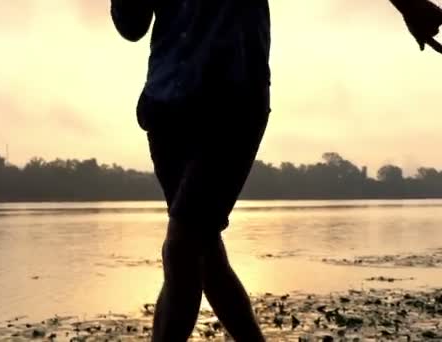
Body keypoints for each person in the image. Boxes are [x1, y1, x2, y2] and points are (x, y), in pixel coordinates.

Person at [109, 0, 441, 341]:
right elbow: (131, 27)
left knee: (182, 246)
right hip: (168, 107)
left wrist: (409, 5)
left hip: (233, 103)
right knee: (203, 253)